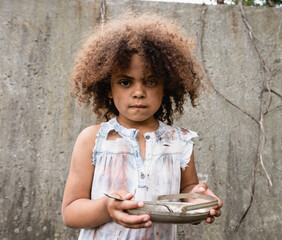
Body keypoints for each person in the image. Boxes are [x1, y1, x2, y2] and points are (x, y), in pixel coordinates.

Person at [61, 12, 222, 239]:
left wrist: (198, 198)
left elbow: (186, 191)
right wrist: (107, 207)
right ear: (108, 88)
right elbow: (70, 212)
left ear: (166, 86)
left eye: (151, 81)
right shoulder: (93, 139)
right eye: (125, 82)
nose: (138, 92)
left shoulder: (179, 142)